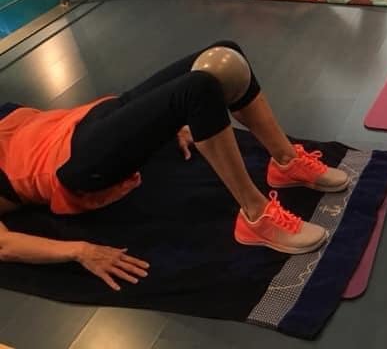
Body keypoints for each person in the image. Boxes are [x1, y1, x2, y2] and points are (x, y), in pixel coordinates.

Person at [0, 41, 349, 291]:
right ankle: (256, 217)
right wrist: (80, 251)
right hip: (75, 165)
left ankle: (286, 162)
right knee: (196, 91)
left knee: (223, 56)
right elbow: (5, 245)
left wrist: (159, 123)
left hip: (88, 119)